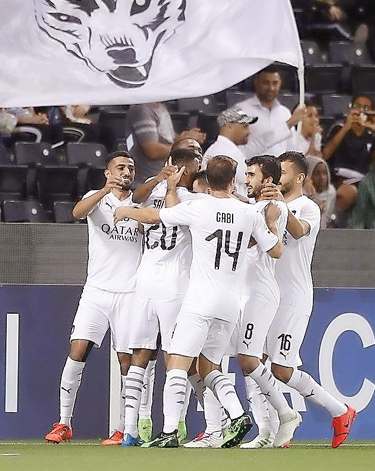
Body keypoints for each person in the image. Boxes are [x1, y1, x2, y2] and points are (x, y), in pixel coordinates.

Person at [112, 156, 284, 449]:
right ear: (232, 181)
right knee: (210, 367)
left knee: (177, 365)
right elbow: (276, 250)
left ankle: (168, 431)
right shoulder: (248, 213)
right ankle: (239, 414)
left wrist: (126, 210)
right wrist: (272, 223)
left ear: (208, 181)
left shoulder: (196, 206)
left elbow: (157, 217)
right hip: (230, 304)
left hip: (200, 301)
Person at [44, 152, 142, 445]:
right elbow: (76, 213)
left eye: (130, 168)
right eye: (120, 167)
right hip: (97, 290)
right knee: (77, 351)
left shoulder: (140, 203)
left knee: (126, 360)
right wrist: (104, 190)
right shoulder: (97, 199)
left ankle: (125, 428)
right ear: (107, 171)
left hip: (130, 292)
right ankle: (64, 423)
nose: (126, 172)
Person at [265, 152, 357, 446]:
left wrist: (280, 204)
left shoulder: (308, 208)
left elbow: (298, 231)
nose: (278, 175)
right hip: (267, 294)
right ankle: (276, 430)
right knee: (255, 362)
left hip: (294, 296)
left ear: (300, 178)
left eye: (283, 171)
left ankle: (340, 411)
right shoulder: (269, 204)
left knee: (281, 369)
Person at [120, 150, 205, 447]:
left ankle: (130, 429)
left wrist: (159, 181)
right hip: (175, 286)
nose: (197, 171)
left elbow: (133, 203)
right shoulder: (195, 201)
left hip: (145, 282)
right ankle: (177, 423)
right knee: (176, 357)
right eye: (196, 167)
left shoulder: (153, 191)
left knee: (140, 355)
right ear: (186, 169)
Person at [234, 156, 303, 449]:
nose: (247, 179)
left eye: (252, 175)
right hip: (250, 291)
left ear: (268, 180)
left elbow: (265, 246)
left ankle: (286, 415)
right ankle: (268, 429)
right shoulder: (260, 206)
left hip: (260, 292)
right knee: (250, 361)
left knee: (249, 360)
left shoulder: (270, 208)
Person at [321, 94, 375, 212]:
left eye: (366, 108)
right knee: (349, 192)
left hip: (364, 181)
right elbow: (325, 155)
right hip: (339, 179)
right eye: (357, 106)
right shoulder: (338, 128)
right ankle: (329, 220)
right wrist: (346, 127)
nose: (361, 110)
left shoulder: (372, 135)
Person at [229, 67, 308, 159]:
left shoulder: (284, 112)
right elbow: (237, 148)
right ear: (256, 82)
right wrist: (289, 123)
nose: (271, 88)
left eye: (275, 83)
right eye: (266, 83)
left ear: (280, 83)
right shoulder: (241, 109)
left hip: (279, 170)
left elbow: (291, 147)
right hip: (250, 169)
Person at [126, 102, 205, 188]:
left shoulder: (161, 106)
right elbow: (152, 150)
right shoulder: (141, 109)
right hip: (147, 182)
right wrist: (185, 149)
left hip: (166, 178)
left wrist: (185, 138)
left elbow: (166, 137)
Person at [201, 108, 256, 196]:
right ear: (229, 127)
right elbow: (251, 181)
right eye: (245, 126)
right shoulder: (228, 151)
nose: (249, 132)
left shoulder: (217, 148)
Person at [305, 155, 337, 229]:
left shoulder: (331, 192)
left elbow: (328, 218)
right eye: (316, 173)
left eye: (324, 173)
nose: (322, 178)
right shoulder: (300, 193)